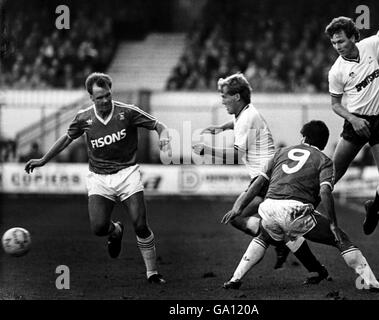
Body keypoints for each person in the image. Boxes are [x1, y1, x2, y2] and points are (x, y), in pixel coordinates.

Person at [24, 72, 170, 284]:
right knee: (99, 228)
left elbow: (159, 125)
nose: (105, 101)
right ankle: (116, 230)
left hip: (127, 173)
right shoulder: (83, 118)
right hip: (99, 177)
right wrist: (43, 160)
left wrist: (164, 138)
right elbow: (66, 139)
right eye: (99, 97)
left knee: (140, 224)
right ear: (91, 98)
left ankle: (152, 273)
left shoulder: (127, 112)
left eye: (107, 95)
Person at [221, 120, 379, 292]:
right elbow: (325, 192)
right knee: (341, 239)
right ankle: (371, 283)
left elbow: (258, 183)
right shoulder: (324, 160)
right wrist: (333, 224)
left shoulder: (281, 152)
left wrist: (239, 208)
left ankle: (235, 279)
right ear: (324, 143)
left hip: (268, 207)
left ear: (303, 138)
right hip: (295, 211)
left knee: (265, 236)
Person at [192, 73, 329, 284]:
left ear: (237, 96)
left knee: (241, 218)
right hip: (268, 176)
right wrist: (222, 128)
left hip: (266, 178)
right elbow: (237, 122)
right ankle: (312, 266)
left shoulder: (247, 117)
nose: (222, 101)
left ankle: (285, 247)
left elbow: (237, 154)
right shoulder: (245, 113)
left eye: (224, 96)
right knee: (281, 228)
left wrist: (207, 149)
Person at [326, 0, 379, 235]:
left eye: (340, 40)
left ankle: (373, 209)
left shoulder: (369, 46)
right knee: (331, 176)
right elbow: (335, 105)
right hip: (356, 123)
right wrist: (353, 119)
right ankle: (304, 214)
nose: (337, 46)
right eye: (333, 42)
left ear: (352, 36)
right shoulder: (336, 71)